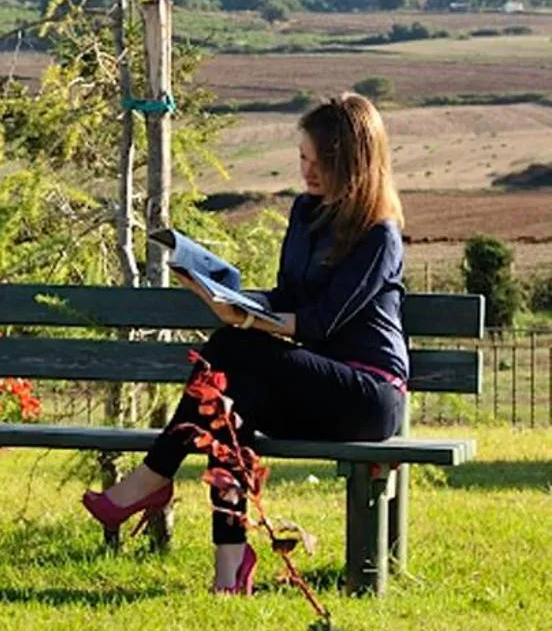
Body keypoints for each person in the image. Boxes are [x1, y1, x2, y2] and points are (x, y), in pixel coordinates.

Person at [82, 92, 409, 594]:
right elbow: (287, 296)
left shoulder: (378, 235)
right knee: (228, 409)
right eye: (303, 159)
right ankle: (229, 570)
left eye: (321, 162)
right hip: (306, 382)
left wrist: (245, 322)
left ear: (357, 165)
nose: (309, 172)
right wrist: (224, 295)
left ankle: (151, 478)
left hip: (366, 394)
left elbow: (320, 323)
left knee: (231, 349)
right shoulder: (305, 213)